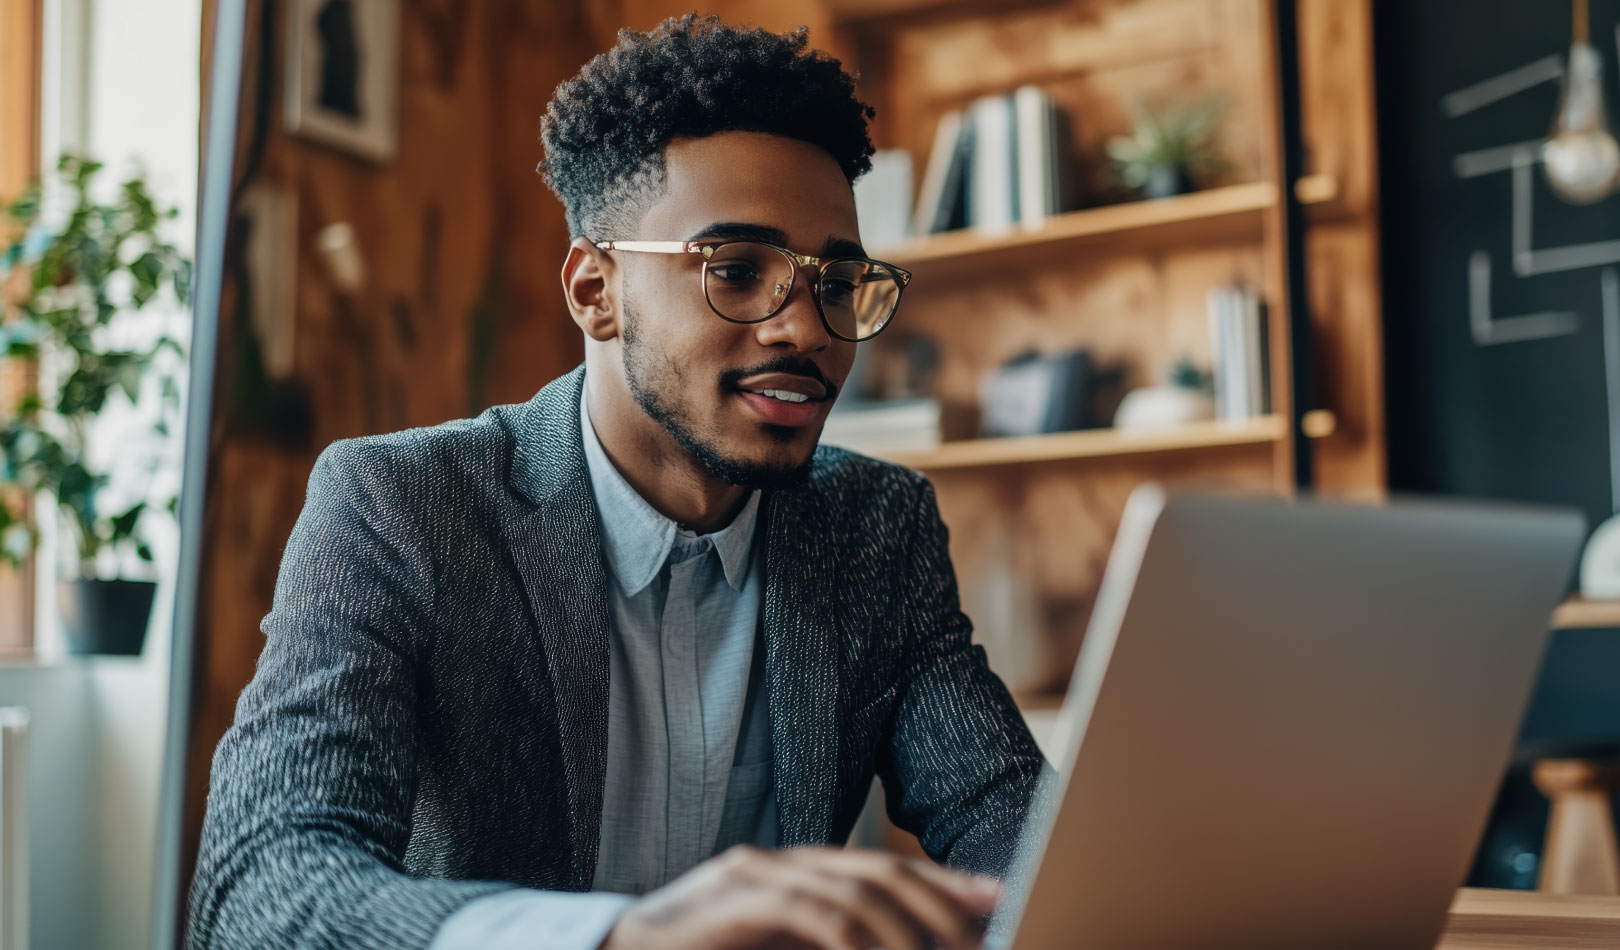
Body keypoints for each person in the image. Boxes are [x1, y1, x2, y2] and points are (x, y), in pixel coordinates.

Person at [188, 14, 1047, 950]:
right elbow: (260, 886)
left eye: (834, 283)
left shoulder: (876, 524)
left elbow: (1015, 830)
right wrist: (623, 938)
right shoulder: (400, 506)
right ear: (596, 292)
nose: (804, 329)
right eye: (737, 269)